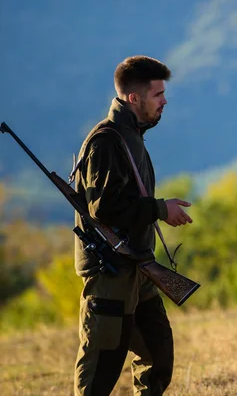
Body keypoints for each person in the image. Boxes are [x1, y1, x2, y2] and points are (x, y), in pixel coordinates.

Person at [72, 55, 194, 395]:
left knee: (158, 357)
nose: (164, 101)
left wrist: (158, 209)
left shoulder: (131, 135)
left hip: (137, 269)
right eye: (157, 95)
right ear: (133, 98)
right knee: (101, 370)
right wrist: (159, 208)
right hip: (110, 274)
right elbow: (104, 208)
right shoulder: (107, 141)